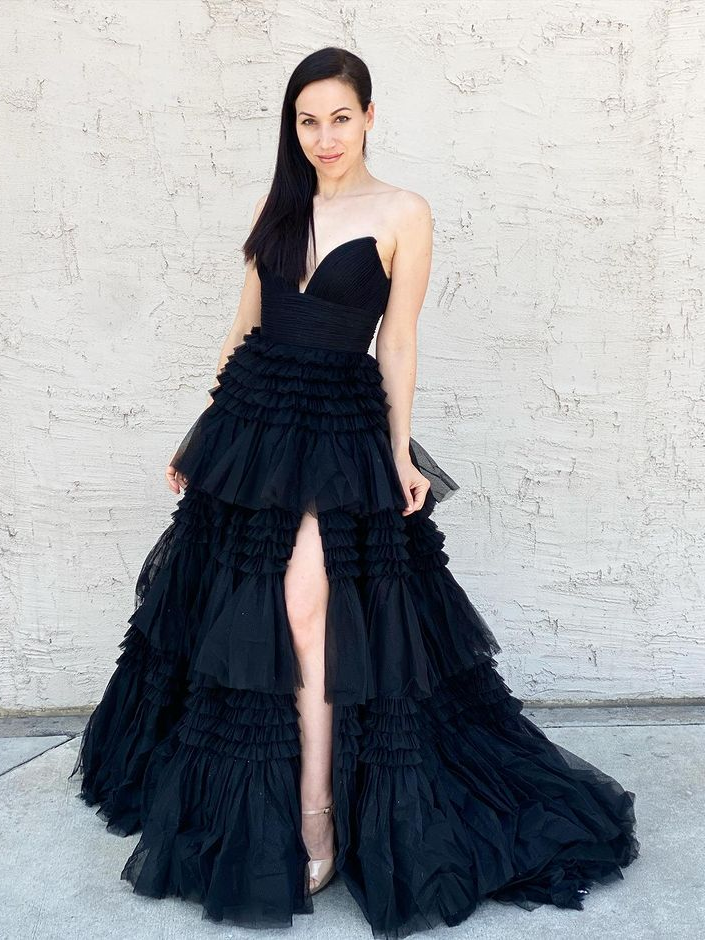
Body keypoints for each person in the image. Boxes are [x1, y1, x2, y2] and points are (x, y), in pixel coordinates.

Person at [70, 46, 639, 939]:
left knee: (307, 607)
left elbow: (397, 343)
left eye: (339, 117)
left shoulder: (403, 211)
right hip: (255, 422)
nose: (324, 136)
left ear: (368, 116)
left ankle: (317, 817)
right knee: (239, 611)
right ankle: (267, 798)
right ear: (292, 127)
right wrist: (202, 432)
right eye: (307, 120)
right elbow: (243, 326)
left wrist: (398, 453)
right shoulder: (279, 206)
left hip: (338, 427)